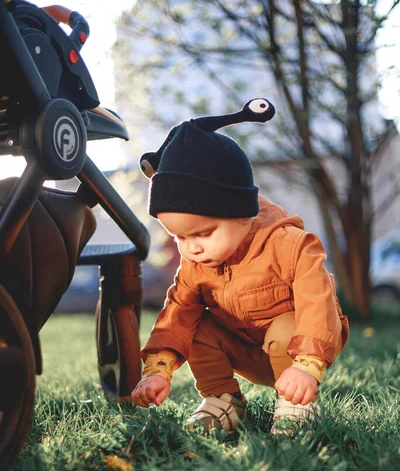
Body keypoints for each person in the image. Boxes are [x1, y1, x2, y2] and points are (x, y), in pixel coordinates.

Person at [131, 98, 350, 435]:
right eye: (179, 237)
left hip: (299, 346)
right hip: (243, 345)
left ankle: (297, 406)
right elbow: (176, 315)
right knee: (198, 326)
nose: (193, 247)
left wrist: (308, 364)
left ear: (243, 214)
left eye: (204, 232)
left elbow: (318, 305)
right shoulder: (195, 264)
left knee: (284, 327)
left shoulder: (289, 245)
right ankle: (224, 402)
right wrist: (157, 370)